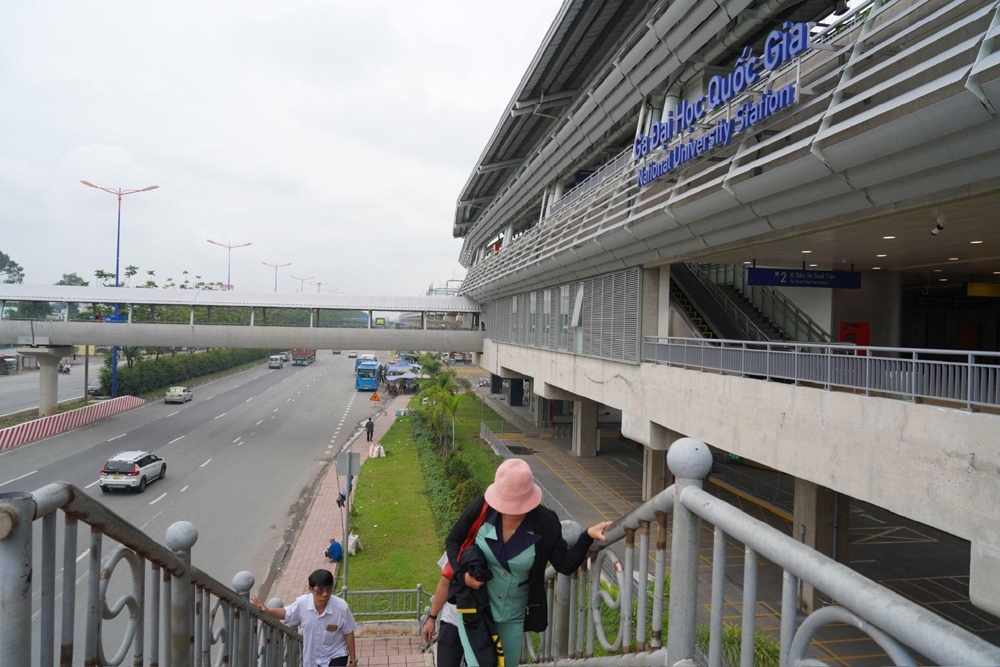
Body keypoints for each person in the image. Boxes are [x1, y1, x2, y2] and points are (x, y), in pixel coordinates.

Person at [446, 459, 611, 667]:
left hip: (513, 616)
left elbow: (564, 565)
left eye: (518, 506)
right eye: (506, 504)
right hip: (475, 609)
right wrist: (462, 576)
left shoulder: (545, 522)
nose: (512, 511)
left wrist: (586, 536)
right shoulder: (482, 508)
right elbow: (453, 541)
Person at [252, 569, 358, 666]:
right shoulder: (302, 603)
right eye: (320, 590)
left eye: (328, 589)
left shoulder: (341, 608)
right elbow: (286, 612)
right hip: (312, 657)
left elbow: (348, 632)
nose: (325, 594)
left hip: (336, 653)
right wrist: (268, 610)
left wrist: (353, 660)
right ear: (310, 589)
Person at [423, 553, 463, 667]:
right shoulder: (459, 545)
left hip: (482, 624)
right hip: (453, 619)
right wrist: (431, 618)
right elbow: (445, 584)